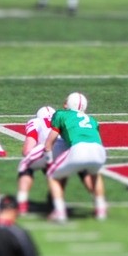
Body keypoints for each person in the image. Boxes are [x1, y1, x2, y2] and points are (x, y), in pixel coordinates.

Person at [46, 92, 109, 222]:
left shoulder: (61, 114)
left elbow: (49, 141)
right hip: (99, 151)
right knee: (95, 174)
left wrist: (48, 159)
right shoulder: (92, 119)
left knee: (52, 175)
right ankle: (101, 209)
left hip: (79, 149)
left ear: (67, 103)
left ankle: (59, 211)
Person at [14, 104, 58, 210]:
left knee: (25, 167)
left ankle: (22, 203)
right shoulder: (62, 120)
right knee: (55, 173)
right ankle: (56, 201)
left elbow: (27, 149)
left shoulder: (36, 122)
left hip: (46, 148)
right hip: (64, 151)